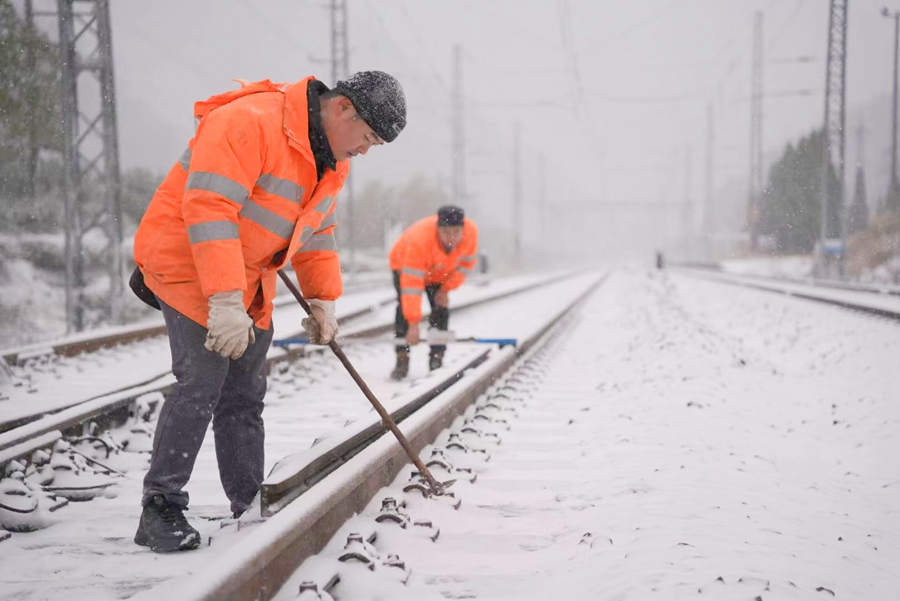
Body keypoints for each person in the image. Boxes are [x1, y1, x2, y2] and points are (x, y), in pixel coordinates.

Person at [129, 71, 406, 552]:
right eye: (367, 138)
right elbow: (210, 207)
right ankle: (160, 507)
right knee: (202, 381)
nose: (365, 150)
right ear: (343, 108)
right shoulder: (250, 121)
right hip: (187, 261)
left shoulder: (331, 161)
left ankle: (248, 503)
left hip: (245, 274)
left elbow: (317, 232)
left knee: (244, 392)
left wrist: (323, 299)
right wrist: (223, 300)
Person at [388, 205, 478, 379]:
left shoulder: (471, 233)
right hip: (404, 266)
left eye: (456, 233)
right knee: (404, 309)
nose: (451, 238)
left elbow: (465, 266)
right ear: (437, 229)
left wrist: (445, 289)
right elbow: (411, 288)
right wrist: (414, 324)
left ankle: (437, 357)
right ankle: (402, 356)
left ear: (463, 230)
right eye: (446, 233)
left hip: (439, 270)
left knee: (441, 309)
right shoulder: (419, 241)